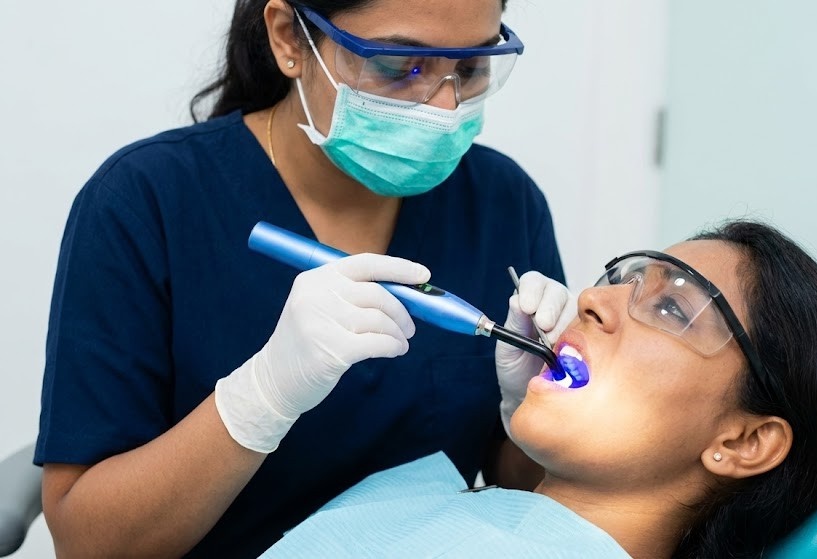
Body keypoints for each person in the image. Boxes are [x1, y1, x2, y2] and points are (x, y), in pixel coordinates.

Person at [35, 1, 565, 557]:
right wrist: (259, 401)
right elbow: (87, 543)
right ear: (289, 37)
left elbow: (534, 500)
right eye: (400, 66)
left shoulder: (504, 202)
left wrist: (535, 424)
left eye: (472, 67)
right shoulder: (146, 202)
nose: (444, 106)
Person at [256, 219, 817, 558]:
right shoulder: (470, 518)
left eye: (671, 308)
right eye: (624, 279)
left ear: (744, 441)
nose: (590, 298)